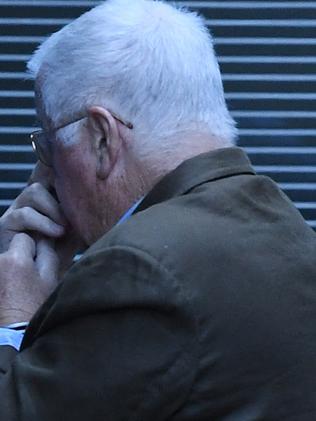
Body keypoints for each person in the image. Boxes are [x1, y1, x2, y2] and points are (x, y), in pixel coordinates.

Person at [0, 0, 315, 419]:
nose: (45, 174)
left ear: (101, 138)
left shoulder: (136, 270)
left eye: (50, 144)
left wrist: (15, 319)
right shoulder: (286, 226)